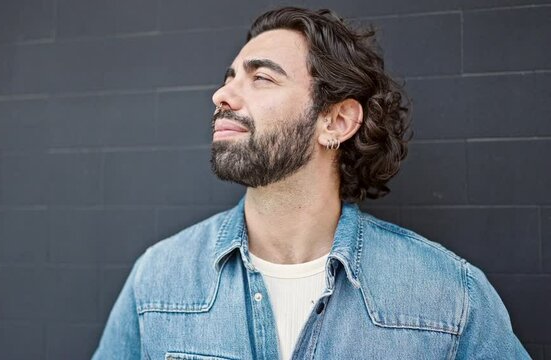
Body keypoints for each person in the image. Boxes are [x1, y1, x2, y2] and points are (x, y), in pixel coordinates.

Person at [92, 7, 530, 360]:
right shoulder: (159, 280)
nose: (222, 95)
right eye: (229, 78)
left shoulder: (448, 298)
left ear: (336, 121)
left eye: (261, 77)